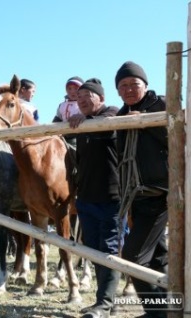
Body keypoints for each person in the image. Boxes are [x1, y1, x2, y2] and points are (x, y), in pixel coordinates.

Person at [68, 78, 124, 318]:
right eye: (78, 99)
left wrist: (88, 120)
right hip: (87, 198)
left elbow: (110, 123)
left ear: (101, 98)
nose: (81, 102)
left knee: (109, 249)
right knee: (93, 250)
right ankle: (106, 301)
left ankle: (104, 303)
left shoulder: (112, 113)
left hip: (112, 197)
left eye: (87, 97)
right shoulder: (81, 126)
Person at [116, 61, 168, 317]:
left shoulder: (162, 105)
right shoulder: (120, 114)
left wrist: (146, 122)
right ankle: (170, 308)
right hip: (136, 196)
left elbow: (179, 139)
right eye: (122, 85)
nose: (128, 89)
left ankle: (156, 313)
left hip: (160, 193)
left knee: (133, 258)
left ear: (145, 85)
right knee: (158, 258)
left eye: (133, 84)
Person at [52, 76, 84, 147]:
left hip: (77, 137)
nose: (72, 91)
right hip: (62, 136)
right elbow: (57, 119)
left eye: (76, 88)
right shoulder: (62, 105)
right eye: (69, 88)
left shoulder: (84, 104)